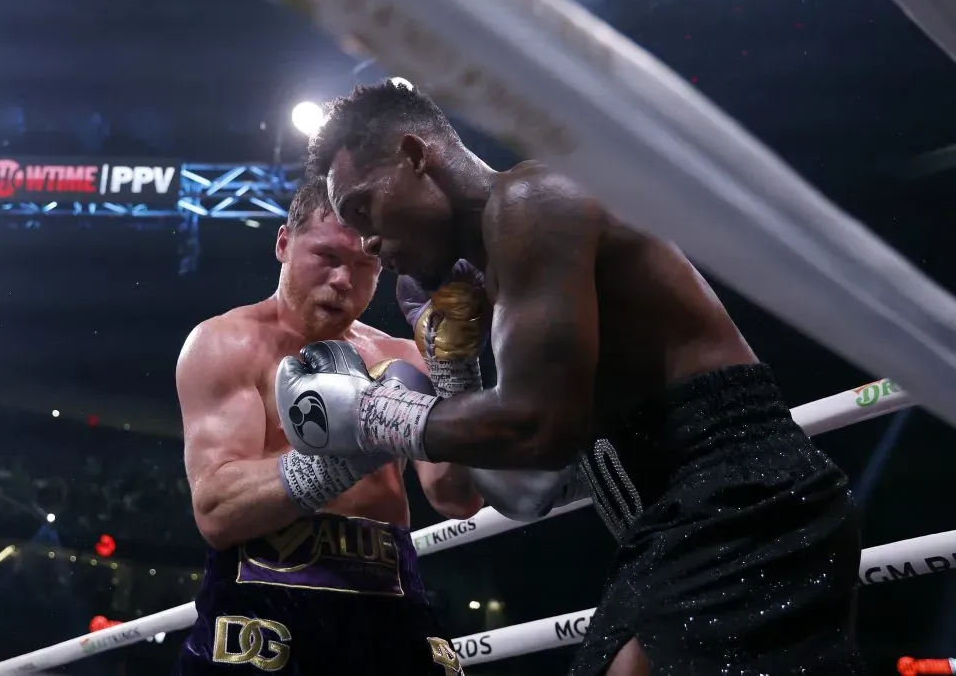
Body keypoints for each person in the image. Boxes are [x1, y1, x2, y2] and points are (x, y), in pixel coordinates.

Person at [275, 80, 865, 676]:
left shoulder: (534, 200)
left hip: (741, 497)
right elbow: (524, 491)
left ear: (414, 154)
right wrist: (453, 364)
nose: (368, 241)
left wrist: (372, 415)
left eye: (362, 208)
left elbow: (537, 429)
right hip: (671, 520)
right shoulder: (501, 272)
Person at [173, 175, 481, 676]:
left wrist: (457, 368)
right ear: (283, 243)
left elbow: (458, 497)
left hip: (388, 590)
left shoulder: (404, 356)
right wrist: (358, 441)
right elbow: (217, 511)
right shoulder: (224, 344)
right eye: (328, 258)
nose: (343, 280)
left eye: (364, 265)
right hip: (262, 593)